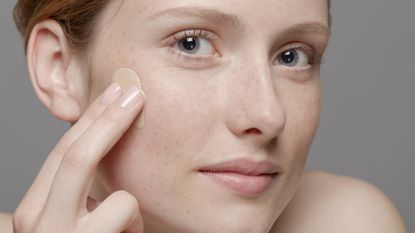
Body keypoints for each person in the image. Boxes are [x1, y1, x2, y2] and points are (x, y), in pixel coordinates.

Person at [0, 0, 408, 232]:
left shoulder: (345, 220)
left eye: (292, 56)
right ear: (59, 69)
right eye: (192, 44)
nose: (268, 115)